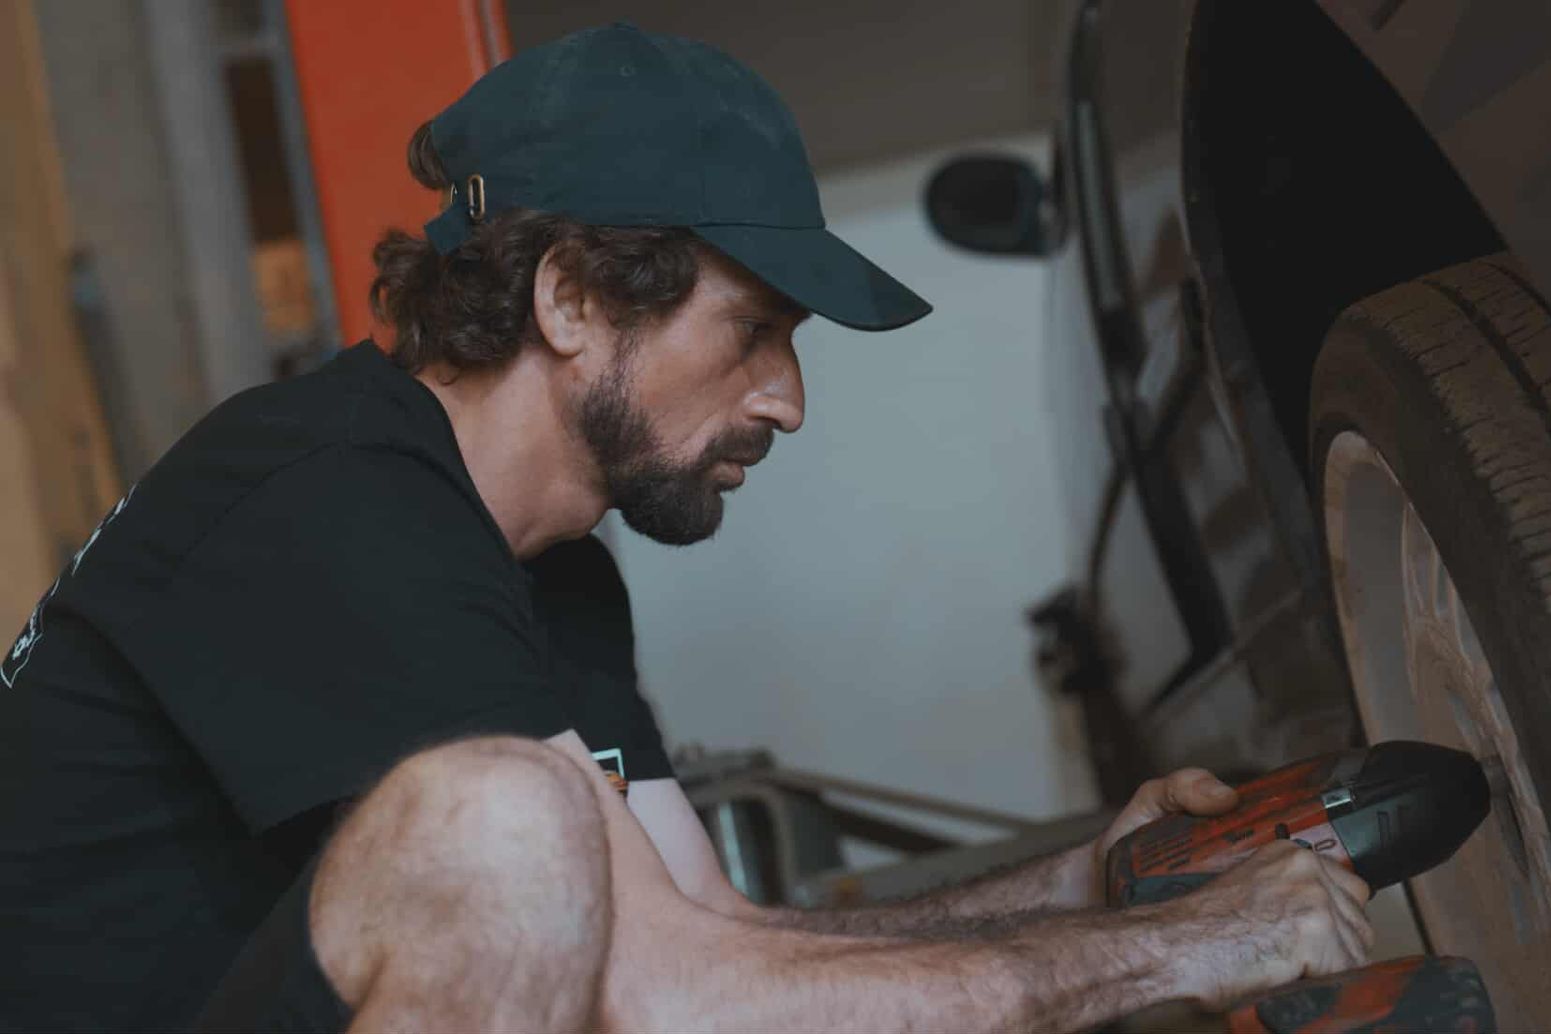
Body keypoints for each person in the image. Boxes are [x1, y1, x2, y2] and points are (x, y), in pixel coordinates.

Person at [0, 23, 1372, 1031]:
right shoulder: (329, 497)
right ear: (572, 301)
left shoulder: (555, 573)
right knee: (500, 825)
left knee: (527, 835)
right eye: (757, 329)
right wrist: (1184, 954)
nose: (786, 399)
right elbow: (678, 1001)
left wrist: (1093, 884)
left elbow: (717, 939)